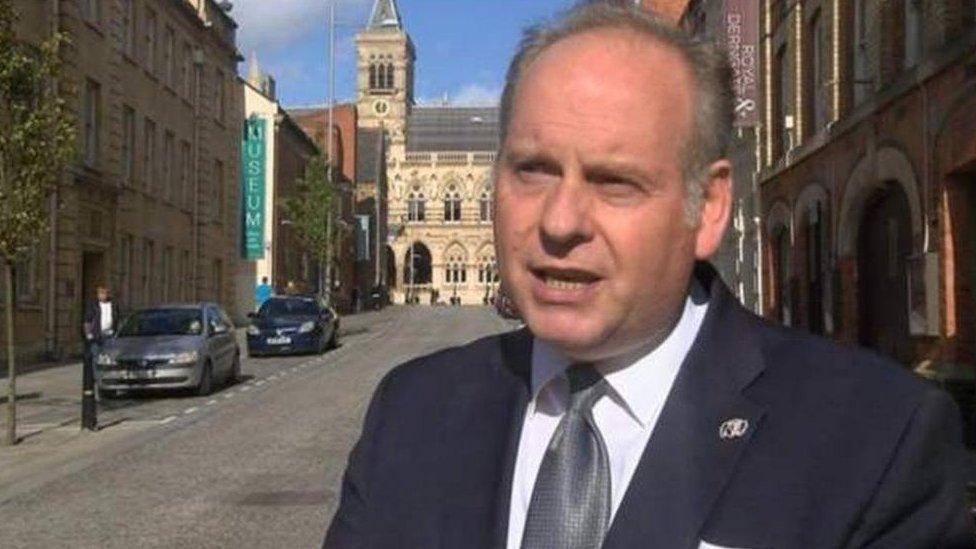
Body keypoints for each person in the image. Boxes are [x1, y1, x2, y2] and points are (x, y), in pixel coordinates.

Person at [324, 5, 973, 548]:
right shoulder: (409, 411)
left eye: (614, 181)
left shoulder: (878, 441)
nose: (560, 221)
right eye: (532, 169)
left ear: (709, 206)